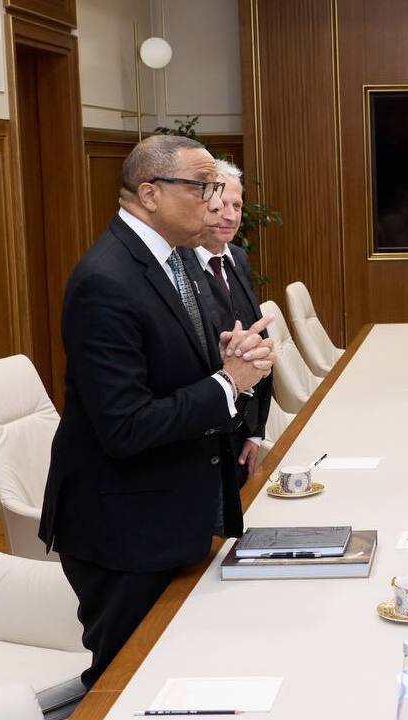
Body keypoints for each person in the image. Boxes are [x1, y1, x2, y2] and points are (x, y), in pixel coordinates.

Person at [38, 135, 276, 688]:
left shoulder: (177, 259)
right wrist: (226, 383)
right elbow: (125, 426)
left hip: (178, 510)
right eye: (202, 187)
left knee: (180, 676)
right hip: (125, 529)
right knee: (126, 684)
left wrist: (229, 358)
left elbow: (173, 365)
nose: (215, 201)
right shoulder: (105, 280)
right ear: (150, 194)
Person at [181, 159, 271, 486]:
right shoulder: (180, 269)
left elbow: (258, 343)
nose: (230, 216)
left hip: (242, 430)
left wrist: (256, 432)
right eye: (219, 206)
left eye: (237, 206)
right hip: (205, 436)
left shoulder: (237, 258)